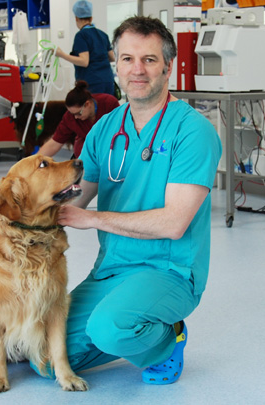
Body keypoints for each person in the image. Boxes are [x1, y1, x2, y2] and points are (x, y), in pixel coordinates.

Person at [54, 16, 222, 385]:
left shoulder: (193, 131)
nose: (137, 70)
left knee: (111, 327)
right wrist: (24, 213)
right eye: (128, 59)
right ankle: (126, 326)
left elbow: (174, 223)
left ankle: (166, 339)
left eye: (148, 59)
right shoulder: (106, 127)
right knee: (48, 355)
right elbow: (78, 197)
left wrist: (95, 219)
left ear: (168, 66)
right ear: (116, 64)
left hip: (170, 271)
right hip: (112, 268)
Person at [38, 80, 119, 158]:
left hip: (110, 145)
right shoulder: (70, 118)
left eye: (78, 113)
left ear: (87, 104)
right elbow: (54, 143)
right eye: (72, 114)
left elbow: (121, 130)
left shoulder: (109, 103)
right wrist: (34, 160)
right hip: (86, 148)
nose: (75, 117)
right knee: (81, 149)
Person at [55, 1, 115, 95]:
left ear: (76, 18)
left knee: (92, 109)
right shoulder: (103, 34)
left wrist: (61, 54)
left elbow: (84, 61)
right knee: (108, 108)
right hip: (108, 80)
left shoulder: (81, 35)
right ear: (91, 18)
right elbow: (112, 57)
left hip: (92, 82)